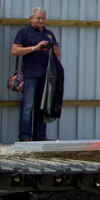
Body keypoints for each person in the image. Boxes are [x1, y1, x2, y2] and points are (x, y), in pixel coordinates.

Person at [11, 8, 62, 142]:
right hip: (30, 74)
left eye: (43, 18)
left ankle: (40, 136)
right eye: (38, 18)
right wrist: (35, 47)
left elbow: (57, 55)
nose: (41, 21)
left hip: (47, 75)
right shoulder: (24, 32)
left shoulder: (49, 34)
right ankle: (25, 137)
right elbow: (14, 51)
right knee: (28, 107)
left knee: (43, 106)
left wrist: (55, 50)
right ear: (31, 18)